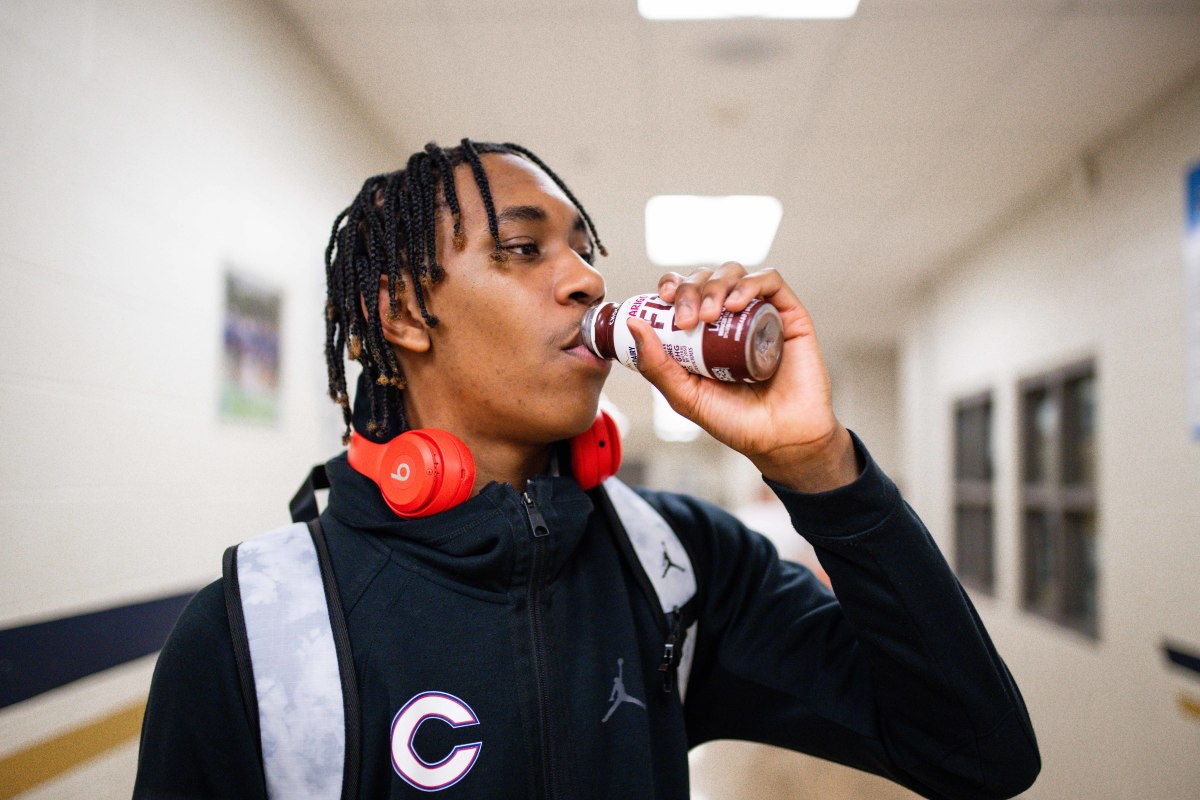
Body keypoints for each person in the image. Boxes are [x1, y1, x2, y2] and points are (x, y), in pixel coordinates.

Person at [134, 140, 1040, 799]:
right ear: (405, 312)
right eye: (525, 248)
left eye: (583, 251)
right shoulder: (257, 631)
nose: (585, 281)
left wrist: (819, 467)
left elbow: (975, 753)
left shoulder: (683, 566)